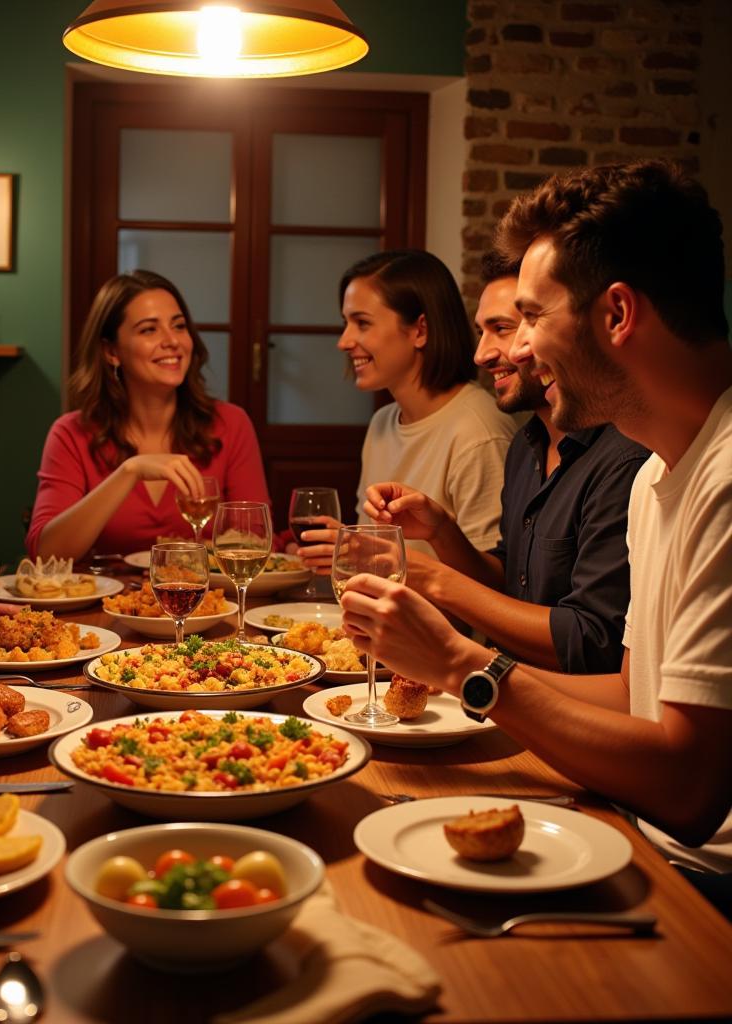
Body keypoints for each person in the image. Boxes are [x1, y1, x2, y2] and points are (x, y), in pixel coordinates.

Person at [340, 161, 732, 904]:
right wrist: (461, 680)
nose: (513, 352)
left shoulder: (726, 476)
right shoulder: (659, 476)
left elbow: (690, 789)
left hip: (704, 882)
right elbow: (629, 693)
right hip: (635, 829)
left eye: (531, 318)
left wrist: (465, 668)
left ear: (615, 315)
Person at [363, 252, 649, 672]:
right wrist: (441, 530)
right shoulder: (525, 445)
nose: (482, 354)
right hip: (504, 694)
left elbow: (591, 642)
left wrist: (436, 581)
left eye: (503, 328)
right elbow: (508, 582)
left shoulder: (623, 458)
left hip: (560, 712)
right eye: (483, 331)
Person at [294, 249, 517, 573]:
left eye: (362, 323)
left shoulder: (477, 432)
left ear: (419, 330)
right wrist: (347, 550)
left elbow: (491, 585)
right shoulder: (383, 422)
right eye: (346, 323)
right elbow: (370, 559)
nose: (344, 341)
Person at [27, 269, 270, 560]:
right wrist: (130, 471)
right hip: (108, 603)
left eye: (179, 326)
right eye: (149, 330)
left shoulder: (231, 424)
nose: (172, 341)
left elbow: (258, 541)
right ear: (111, 351)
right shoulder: (71, 433)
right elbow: (47, 553)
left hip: (210, 601)